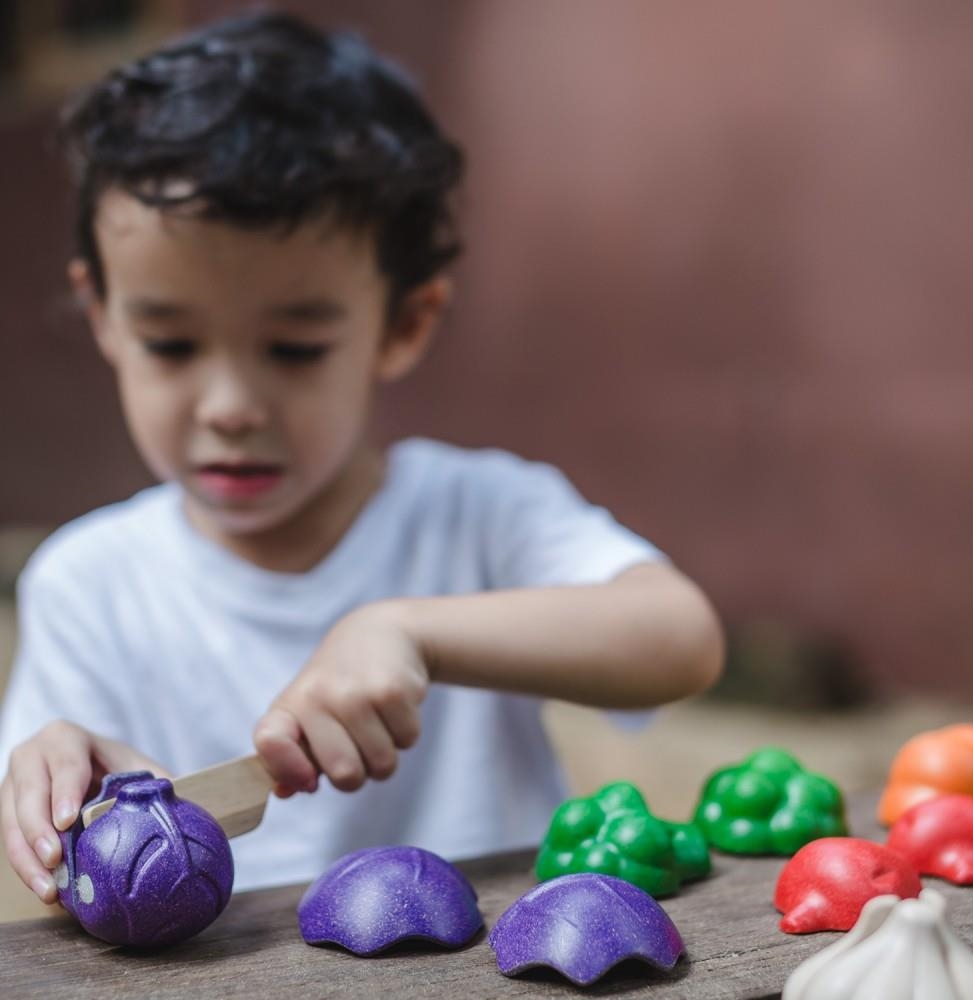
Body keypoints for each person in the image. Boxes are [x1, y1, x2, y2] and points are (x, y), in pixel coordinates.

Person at [0, 11, 724, 902]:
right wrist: (55, 789)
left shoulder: (478, 514)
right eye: (171, 346)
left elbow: (680, 639)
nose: (229, 409)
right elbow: (58, 854)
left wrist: (410, 630)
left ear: (403, 324)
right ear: (105, 317)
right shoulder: (87, 583)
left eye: (296, 350)